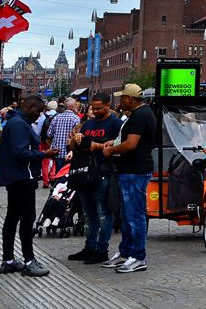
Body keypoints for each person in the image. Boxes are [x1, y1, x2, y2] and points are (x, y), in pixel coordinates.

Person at [0, 95, 59, 277]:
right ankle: (29, 261)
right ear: (30, 106)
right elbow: (20, 153)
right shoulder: (19, 124)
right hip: (22, 177)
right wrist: (44, 154)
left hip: (16, 176)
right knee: (26, 218)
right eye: (38, 111)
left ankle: (8, 260)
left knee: (12, 217)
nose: (39, 115)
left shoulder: (16, 121)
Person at [101, 84, 157, 273]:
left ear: (130, 99)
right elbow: (131, 140)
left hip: (135, 170)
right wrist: (115, 142)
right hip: (131, 170)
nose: (120, 101)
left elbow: (131, 144)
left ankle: (139, 257)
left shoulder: (140, 115)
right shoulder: (141, 113)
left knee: (135, 216)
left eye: (122, 97)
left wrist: (111, 150)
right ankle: (126, 252)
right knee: (127, 215)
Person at [66, 92, 123, 265]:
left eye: (99, 108)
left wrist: (96, 146)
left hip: (104, 171)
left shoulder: (115, 123)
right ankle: (90, 247)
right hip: (86, 172)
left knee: (103, 212)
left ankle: (102, 249)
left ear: (108, 105)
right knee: (88, 212)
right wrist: (77, 139)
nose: (95, 111)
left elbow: (119, 145)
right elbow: (74, 147)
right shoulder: (88, 124)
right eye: (93, 108)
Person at [47, 98, 81, 178]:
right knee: (70, 175)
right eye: (75, 105)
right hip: (70, 152)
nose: (77, 106)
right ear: (71, 107)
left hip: (58, 151)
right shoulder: (76, 119)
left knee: (59, 175)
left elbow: (49, 133)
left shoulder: (56, 118)